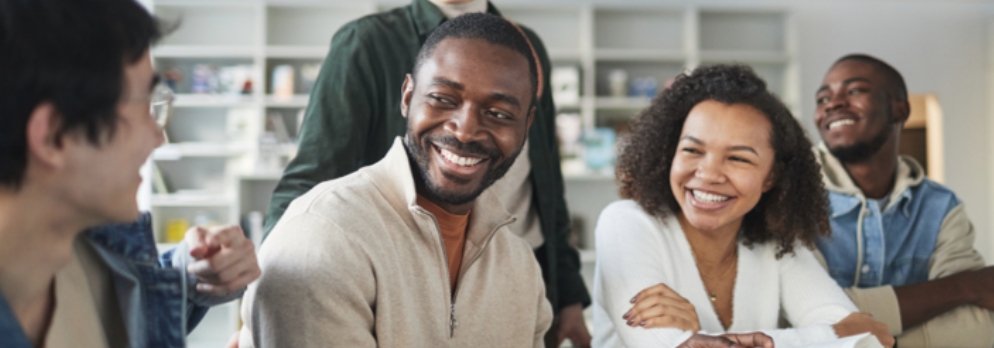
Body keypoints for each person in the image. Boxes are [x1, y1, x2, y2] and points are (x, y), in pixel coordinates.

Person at [262, 1, 591, 345]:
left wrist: (568, 291)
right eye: (443, 98)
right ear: (408, 94)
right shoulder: (368, 41)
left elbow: (548, 178)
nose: (466, 130)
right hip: (401, 275)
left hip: (515, 274)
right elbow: (314, 176)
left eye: (497, 113)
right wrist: (270, 288)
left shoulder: (526, 48)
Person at [0, 0, 261, 346]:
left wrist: (194, 272)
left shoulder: (95, 254)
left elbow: (130, 301)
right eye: (144, 107)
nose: (158, 137)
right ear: (53, 136)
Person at [592, 65, 893, 348]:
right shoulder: (626, 223)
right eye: (692, 150)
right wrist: (827, 337)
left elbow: (867, 338)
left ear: (771, 176)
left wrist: (704, 339)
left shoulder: (775, 243)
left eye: (738, 158)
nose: (708, 174)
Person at [813, 54, 994, 346]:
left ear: (900, 109)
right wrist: (965, 286)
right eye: (823, 99)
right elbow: (809, 317)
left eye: (855, 90)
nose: (832, 104)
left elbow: (977, 328)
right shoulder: (789, 197)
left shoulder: (941, 207)